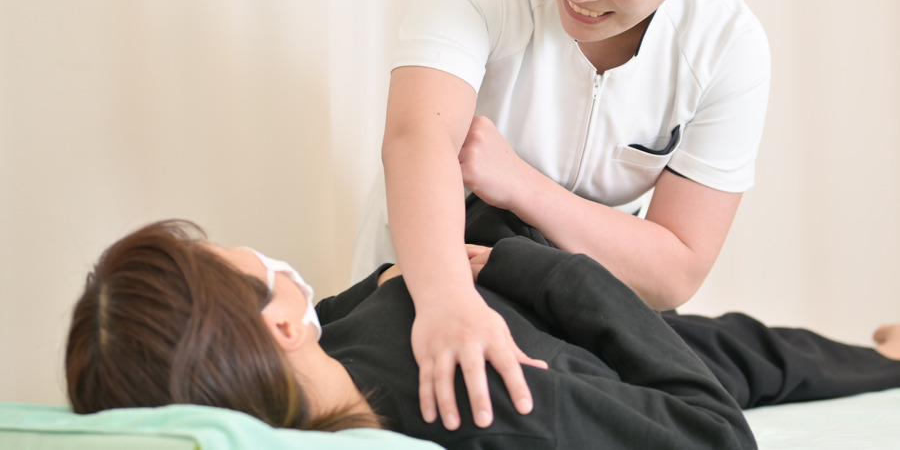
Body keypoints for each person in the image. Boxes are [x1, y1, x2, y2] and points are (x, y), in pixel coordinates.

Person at [359, 0, 770, 430]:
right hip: (441, 282)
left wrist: (519, 184)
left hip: (588, 302)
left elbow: (674, 270)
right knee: (727, 359)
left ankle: (885, 353)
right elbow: (417, 139)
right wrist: (445, 301)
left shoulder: (727, 47)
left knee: (743, 356)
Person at [66, 219, 760, 449]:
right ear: (278, 326)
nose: (253, 251)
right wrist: (544, 269)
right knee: (748, 351)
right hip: (596, 319)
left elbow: (338, 310)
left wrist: (398, 279)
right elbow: (713, 431)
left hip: (490, 281)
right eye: (229, 253)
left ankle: (879, 348)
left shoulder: (313, 372)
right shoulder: (486, 401)